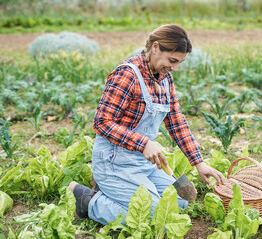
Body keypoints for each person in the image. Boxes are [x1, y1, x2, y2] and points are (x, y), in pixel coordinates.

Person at [69, 24, 225, 225]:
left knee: (180, 203)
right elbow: (102, 122)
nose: (175, 68)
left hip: (143, 163)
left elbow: (177, 123)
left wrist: (199, 163)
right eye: (172, 60)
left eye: (179, 63)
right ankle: (89, 202)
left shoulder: (165, 79)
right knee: (153, 218)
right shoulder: (127, 75)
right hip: (113, 162)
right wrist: (142, 143)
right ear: (155, 48)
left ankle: (113, 192)